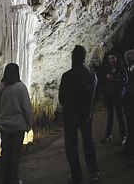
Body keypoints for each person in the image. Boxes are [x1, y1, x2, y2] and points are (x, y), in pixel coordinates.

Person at [59, 45, 100, 184]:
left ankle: (76, 176)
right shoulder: (90, 74)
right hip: (85, 114)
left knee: (71, 146)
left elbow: (61, 98)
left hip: (70, 115)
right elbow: (94, 94)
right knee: (88, 143)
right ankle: (94, 172)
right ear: (83, 57)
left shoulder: (67, 75)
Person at [0, 63, 33, 184]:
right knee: (15, 153)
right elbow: (27, 108)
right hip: (18, 126)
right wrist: (29, 124)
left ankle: (4, 178)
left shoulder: (0, 87)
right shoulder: (21, 87)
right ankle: (13, 178)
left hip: (5, 126)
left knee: (5, 152)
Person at [101, 52, 127, 144]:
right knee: (110, 116)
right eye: (110, 58)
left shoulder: (121, 70)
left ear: (117, 59)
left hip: (117, 96)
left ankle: (123, 136)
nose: (112, 60)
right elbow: (103, 82)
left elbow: (124, 82)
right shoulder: (107, 69)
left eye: (113, 58)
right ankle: (108, 135)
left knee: (120, 116)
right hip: (109, 96)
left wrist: (114, 79)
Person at [121, 49, 134, 164]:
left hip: (132, 104)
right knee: (130, 128)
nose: (126, 61)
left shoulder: (132, 71)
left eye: (127, 59)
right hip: (129, 105)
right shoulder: (129, 70)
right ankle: (128, 150)